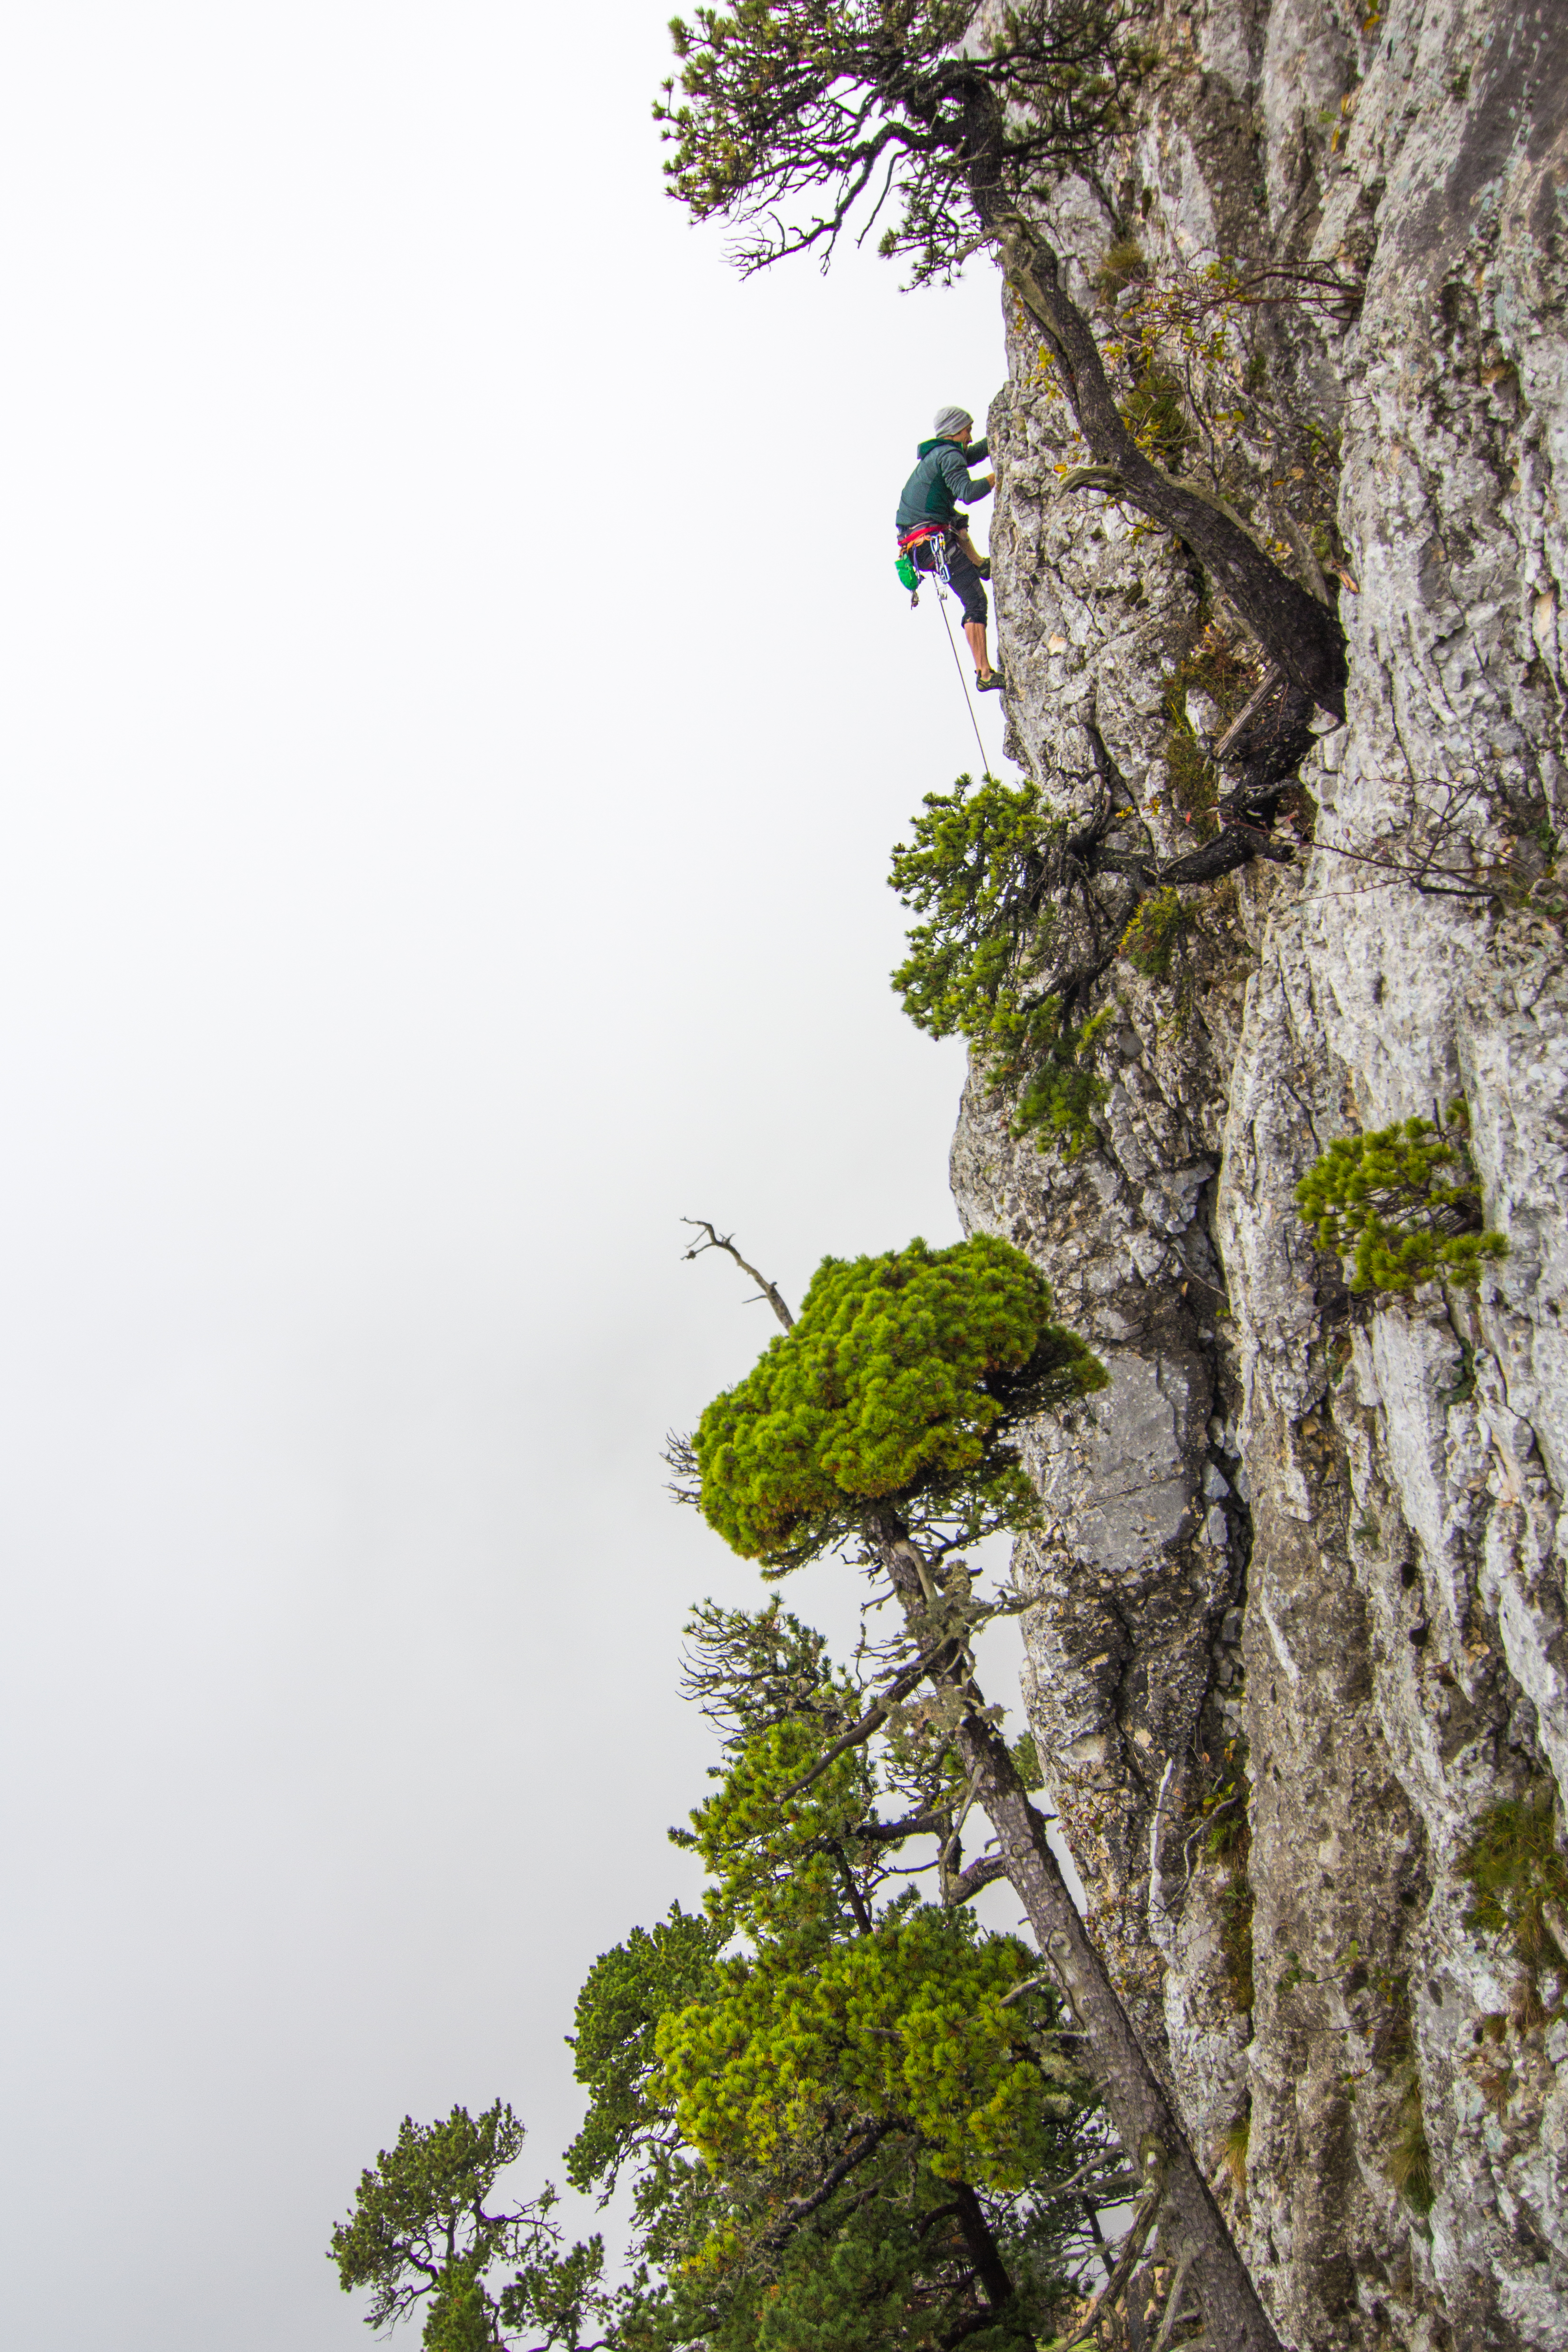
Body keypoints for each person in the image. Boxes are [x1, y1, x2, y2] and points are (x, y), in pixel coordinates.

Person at [895, 406, 1004, 691]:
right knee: (976, 601)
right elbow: (968, 493)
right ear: (955, 431)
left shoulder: (940, 454)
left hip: (920, 542)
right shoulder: (949, 456)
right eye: (968, 430)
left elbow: (974, 453)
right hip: (931, 544)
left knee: (955, 519)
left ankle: (980, 564)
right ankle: (984, 674)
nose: (971, 436)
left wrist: (999, 437)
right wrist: (1001, 476)